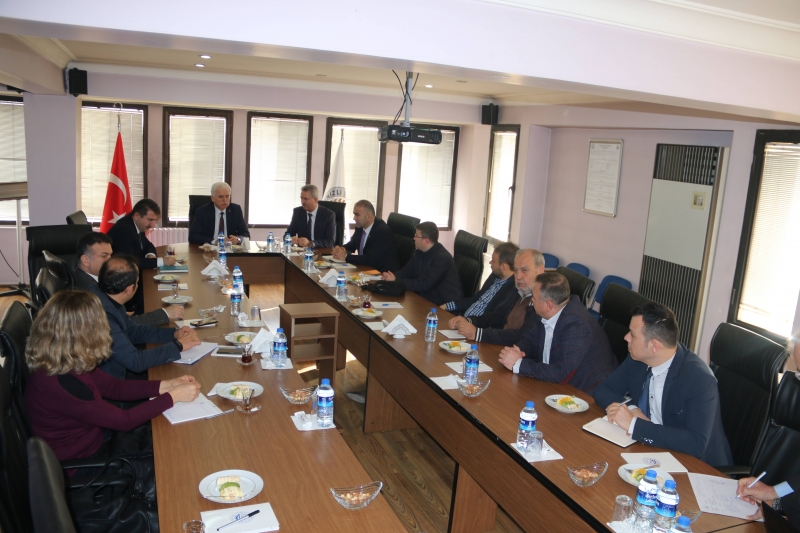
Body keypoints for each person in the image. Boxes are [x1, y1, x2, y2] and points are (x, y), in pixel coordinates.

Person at [23, 290, 201, 463]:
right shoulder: (64, 383)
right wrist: (173, 396)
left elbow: (113, 387)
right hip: (86, 461)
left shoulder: (63, 358)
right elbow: (125, 421)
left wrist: (167, 385)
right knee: (175, 450)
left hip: (95, 437)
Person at [594, 302, 732, 466]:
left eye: (633, 335)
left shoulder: (699, 380)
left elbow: (696, 443)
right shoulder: (637, 359)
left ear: (654, 346)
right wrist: (631, 409)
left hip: (695, 465)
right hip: (649, 450)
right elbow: (603, 390)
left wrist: (634, 425)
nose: (626, 337)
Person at [497, 271, 618, 393]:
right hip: (554, 384)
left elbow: (562, 372)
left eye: (533, 298)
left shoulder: (576, 325)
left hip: (585, 392)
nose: (531, 301)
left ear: (548, 305)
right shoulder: (548, 312)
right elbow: (531, 340)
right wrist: (516, 352)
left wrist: (519, 364)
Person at [90, 255, 201, 380]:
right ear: (129, 289)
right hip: (111, 381)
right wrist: (178, 346)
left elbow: (133, 330)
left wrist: (173, 334)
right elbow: (135, 361)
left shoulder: (106, 296)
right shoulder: (103, 316)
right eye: (137, 283)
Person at [74, 231, 184, 326]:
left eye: (110, 255)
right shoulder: (87, 291)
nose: (110, 261)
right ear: (86, 260)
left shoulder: (89, 278)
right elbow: (120, 325)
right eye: (104, 256)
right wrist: (165, 313)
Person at [449, 248, 543, 345]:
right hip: (499, 347)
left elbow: (523, 335)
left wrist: (478, 334)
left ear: (540, 270)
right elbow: (497, 316)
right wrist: (469, 320)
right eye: (516, 270)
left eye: (524, 270)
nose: (518, 276)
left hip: (515, 351)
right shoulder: (517, 291)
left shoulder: (542, 300)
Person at [106, 198, 176, 313]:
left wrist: (150, 255)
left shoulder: (136, 225)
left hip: (134, 277)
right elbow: (129, 263)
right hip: (123, 285)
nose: (152, 225)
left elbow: (148, 245)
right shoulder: (124, 230)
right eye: (150, 220)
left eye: (154, 220)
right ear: (137, 215)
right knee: (157, 299)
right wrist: (161, 261)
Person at [382, 222, 462, 306]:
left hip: (444, 306)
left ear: (426, 241)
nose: (414, 238)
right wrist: (391, 276)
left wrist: (396, 280)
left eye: (416, 236)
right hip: (426, 299)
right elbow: (406, 271)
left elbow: (426, 284)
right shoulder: (419, 252)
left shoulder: (442, 258)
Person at [441, 242, 518, 319]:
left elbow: (493, 318)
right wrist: (447, 306)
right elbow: (475, 299)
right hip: (464, 319)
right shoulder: (494, 277)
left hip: (476, 324)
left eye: (493, 261)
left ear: (503, 267)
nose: (490, 262)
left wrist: (469, 322)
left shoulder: (512, 290)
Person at [331, 199, 398, 272]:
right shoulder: (360, 227)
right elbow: (352, 244)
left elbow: (371, 259)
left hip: (381, 273)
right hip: (365, 269)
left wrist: (345, 256)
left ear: (368, 216)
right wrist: (341, 249)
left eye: (357, 215)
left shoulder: (382, 231)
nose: (354, 218)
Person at [285, 184, 336, 248]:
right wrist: (291, 239)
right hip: (302, 251)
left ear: (315, 200)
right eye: (301, 198)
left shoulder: (328, 215)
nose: (302, 202)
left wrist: (310, 243)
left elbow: (330, 242)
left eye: (305, 199)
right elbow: (287, 235)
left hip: (320, 251)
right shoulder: (298, 212)